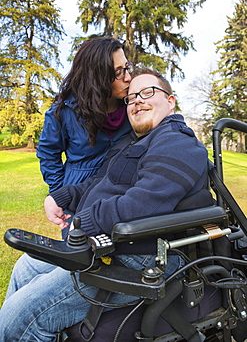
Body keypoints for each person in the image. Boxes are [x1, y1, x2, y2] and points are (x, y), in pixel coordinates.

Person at [0, 68, 209, 342]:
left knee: (21, 317)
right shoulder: (130, 143)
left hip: (142, 255)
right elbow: (96, 183)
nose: (137, 101)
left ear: (171, 101)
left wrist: (82, 225)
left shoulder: (177, 141)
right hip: (107, 245)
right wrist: (62, 196)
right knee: (26, 266)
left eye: (148, 93)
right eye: (132, 96)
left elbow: (141, 205)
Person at [36, 37, 133, 238]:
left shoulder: (134, 107)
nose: (128, 77)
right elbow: (48, 154)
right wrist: (60, 193)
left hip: (121, 198)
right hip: (78, 201)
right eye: (118, 72)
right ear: (96, 77)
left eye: (127, 67)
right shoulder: (63, 112)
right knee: (80, 261)